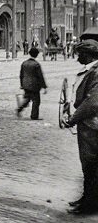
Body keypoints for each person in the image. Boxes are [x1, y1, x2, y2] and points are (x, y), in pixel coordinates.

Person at [64, 38, 98, 215]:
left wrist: (73, 119)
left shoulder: (96, 72)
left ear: (89, 55)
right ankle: (87, 199)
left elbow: (92, 102)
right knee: (88, 166)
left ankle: (90, 204)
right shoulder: (91, 70)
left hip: (92, 126)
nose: (77, 59)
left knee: (91, 165)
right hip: (88, 125)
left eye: (80, 55)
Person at [16, 46, 47, 119]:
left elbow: (21, 75)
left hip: (26, 85)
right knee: (36, 101)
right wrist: (44, 87)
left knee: (27, 99)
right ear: (36, 55)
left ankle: (19, 109)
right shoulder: (36, 65)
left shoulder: (24, 63)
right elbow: (40, 77)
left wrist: (22, 84)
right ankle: (34, 116)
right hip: (34, 86)